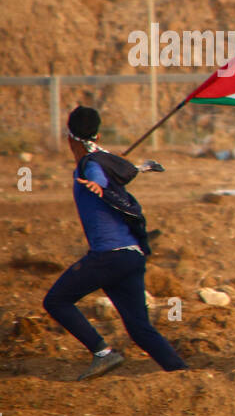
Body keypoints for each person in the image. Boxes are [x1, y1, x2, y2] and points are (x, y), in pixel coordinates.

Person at [43, 106, 187, 380]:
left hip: (108, 257)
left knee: (56, 301)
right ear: (97, 134)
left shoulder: (92, 165)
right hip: (131, 256)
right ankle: (182, 375)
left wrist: (96, 185)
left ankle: (103, 353)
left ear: (69, 138)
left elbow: (96, 176)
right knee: (140, 329)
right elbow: (122, 170)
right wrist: (140, 168)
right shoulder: (107, 160)